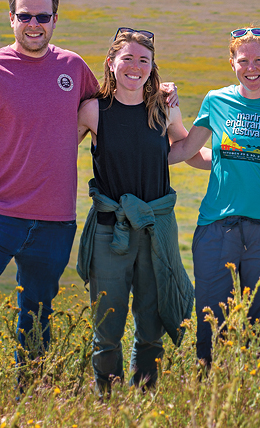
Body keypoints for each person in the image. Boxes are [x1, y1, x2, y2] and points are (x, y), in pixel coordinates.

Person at [0, 0, 98, 366]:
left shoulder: (75, 68)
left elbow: (105, 113)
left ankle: (28, 394)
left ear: (54, 20)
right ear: (11, 18)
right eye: (26, 16)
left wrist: (160, 92)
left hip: (55, 221)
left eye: (43, 17)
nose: (34, 25)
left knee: (36, 316)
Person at [168, 27, 260, 365]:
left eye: (259, 60)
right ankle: (208, 387)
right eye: (243, 60)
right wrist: (168, 117)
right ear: (232, 63)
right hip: (216, 225)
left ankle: (254, 391)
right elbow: (188, 151)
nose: (252, 67)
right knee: (210, 317)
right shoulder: (216, 100)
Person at [74, 28, 208, 391]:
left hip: (154, 229)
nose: (135, 67)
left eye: (143, 60)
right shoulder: (93, 110)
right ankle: (107, 401)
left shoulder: (163, 107)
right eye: (127, 59)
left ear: (152, 67)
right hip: (109, 231)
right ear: (111, 63)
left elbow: (182, 149)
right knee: (108, 326)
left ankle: (146, 398)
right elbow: (58, 147)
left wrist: (234, 159)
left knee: (151, 324)